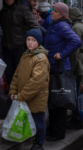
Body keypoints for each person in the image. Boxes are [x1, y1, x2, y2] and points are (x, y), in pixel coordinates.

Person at [43, 2, 81, 141]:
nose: (51, 12)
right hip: (52, 68)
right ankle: (53, 129)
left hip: (58, 69)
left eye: (55, 11)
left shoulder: (62, 26)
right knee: (53, 101)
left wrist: (62, 54)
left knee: (59, 102)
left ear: (61, 14)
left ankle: (58, 133)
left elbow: (76, 41)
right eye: (52, 10)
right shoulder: (54, 24)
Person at [8, 29, 50, 150]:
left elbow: (36, 82)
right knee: (28, 119)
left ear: (39, 42)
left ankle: (38, 144)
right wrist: (13, 90)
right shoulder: (25, 54)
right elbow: (17, 74)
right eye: (28, 39)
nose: (30, 42)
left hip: (36, 97)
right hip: (24, 95)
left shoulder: (41, 59)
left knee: (38, 121)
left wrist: (21, 95)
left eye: (33, 40)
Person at [0, 0, 40, 87]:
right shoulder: (3, 11)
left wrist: (29, 43)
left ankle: (21, 97)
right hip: (6, 48)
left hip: (20, 47)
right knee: (9, 75)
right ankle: (12, 97)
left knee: (21, 75)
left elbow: (35, 27)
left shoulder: (23, 10)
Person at [66, 7, 83, 129]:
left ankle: (77, 118)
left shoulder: (76, 27)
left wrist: (71, 69)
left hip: (79, 64)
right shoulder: (80, 25)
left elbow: (75, 50)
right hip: (81, 62)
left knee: (77, 92)